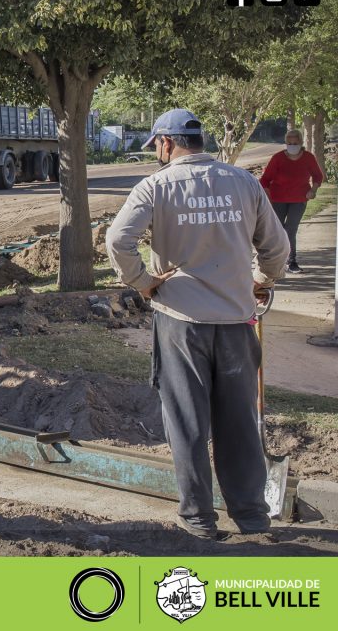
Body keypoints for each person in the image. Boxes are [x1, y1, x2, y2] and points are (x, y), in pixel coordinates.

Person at [106, 108, 290, 539]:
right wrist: (260, 281)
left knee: (188, 423)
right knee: (240, 423)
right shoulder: (243, 182)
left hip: (181, 325)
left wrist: (144, 282)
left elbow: (119, 240)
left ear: (166, 143)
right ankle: (252, 518)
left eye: (156, 145)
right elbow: (276, 248)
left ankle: (199, 521)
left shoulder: (155, 187)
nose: (156, 151)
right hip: (236, 321)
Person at [259, 129, 325, 273]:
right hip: (278, 199)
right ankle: (276, 261)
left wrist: (313, 190)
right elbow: (265, 180)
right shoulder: (278, 158)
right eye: (289, 143)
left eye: (295, 143)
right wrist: (267, 194)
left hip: (299, 198)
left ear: (301, 143)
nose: (292, 145)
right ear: (286, 143)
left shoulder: (308, 157)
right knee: (277, 230)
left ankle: (291, 261)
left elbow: (318, 177)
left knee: (290, 230)